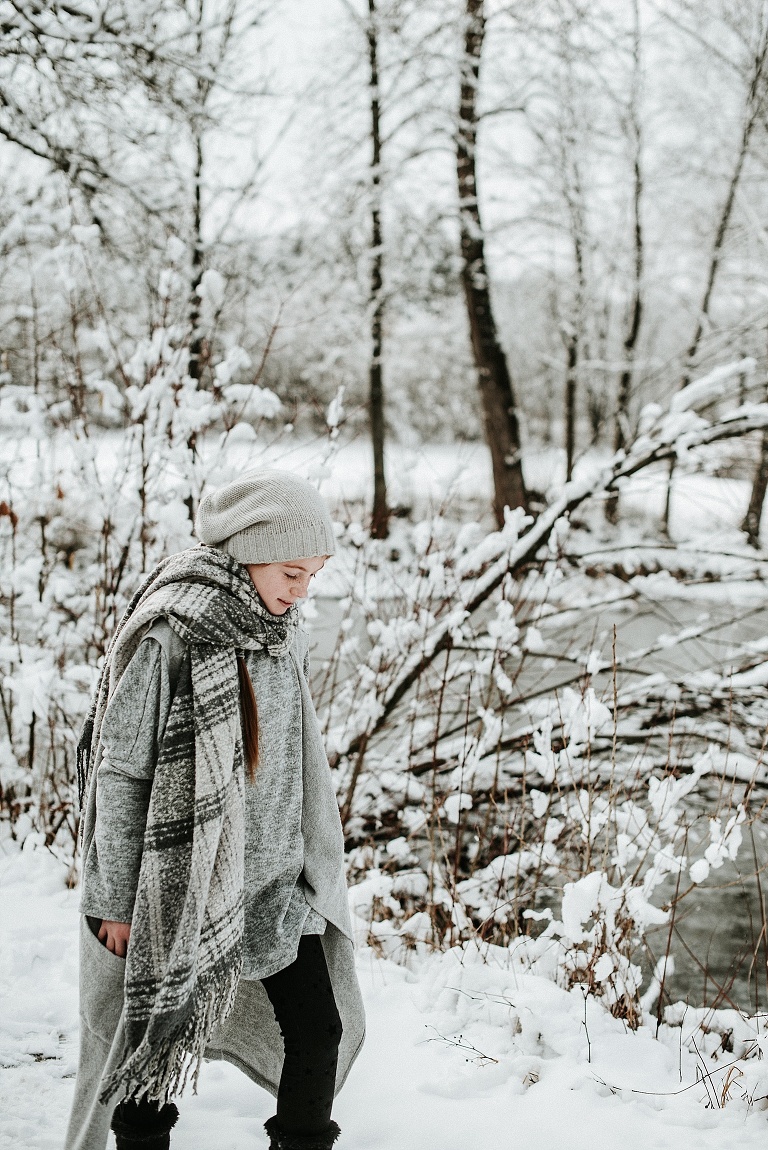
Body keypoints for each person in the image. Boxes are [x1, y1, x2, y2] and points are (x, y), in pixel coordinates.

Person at [64, 470, 366, 1150]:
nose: (301, 591)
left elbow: (298, 761)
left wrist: (313, 866)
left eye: (313, 576)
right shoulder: (170, 638)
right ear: (248, 549)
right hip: (176, 890)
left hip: (274, 885)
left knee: (320, 1031)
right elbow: (120, 774)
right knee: (149, 1055)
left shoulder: (277, 633)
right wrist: (114, 900)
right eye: (292, 572)